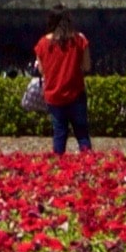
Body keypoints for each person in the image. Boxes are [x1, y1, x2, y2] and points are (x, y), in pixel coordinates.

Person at [35, 12, 93, 156]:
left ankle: (59, 170)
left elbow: (42, 70)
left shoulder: (42, 43)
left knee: (59, 133)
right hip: (76, 93)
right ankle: (89, 166)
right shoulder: (79, 40)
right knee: (82, 134)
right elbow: (86, 66)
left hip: (54, 95)